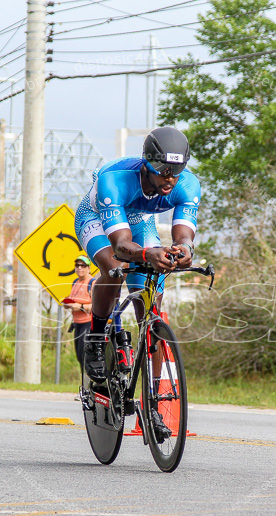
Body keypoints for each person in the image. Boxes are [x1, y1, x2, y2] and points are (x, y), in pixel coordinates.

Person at [73, 126, 199, 442]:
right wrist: (147, 253)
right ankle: (97, 337)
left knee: (151, 305)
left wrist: (183, 250)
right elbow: (120, 245)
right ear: (147, 163)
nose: (170, 177)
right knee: (115, 269)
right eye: (162, 169)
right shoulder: (114, 179)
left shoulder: (187, 184)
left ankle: (153, 401)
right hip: (98, 219)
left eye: (177, 170)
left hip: (139, 221)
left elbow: (183, 233)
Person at [63, 254, 95, 376]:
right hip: (77, 324)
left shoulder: (92, 282)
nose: (79, 268)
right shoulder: (75, 282)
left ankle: (89, 385)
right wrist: (68, 304)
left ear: (89, 268)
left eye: (83, 265)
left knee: (86, 357)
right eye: (77, 265)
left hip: (88, 324)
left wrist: (80, 307)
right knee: (79, 357)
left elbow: (97, 306)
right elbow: (73, 299)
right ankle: (84, 387)